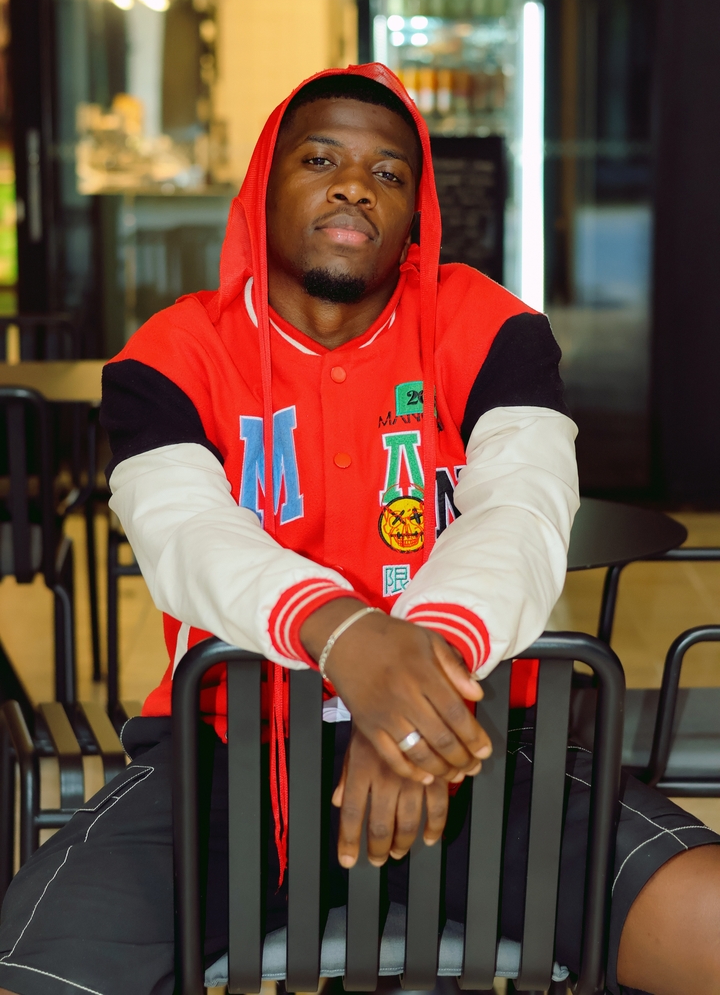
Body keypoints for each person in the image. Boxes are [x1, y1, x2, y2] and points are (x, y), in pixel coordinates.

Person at [0, 65, 719, 995]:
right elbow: (183, 530)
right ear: (263, 186)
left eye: (388, 174)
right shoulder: (172, 353)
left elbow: (523, 507)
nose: (355, 186)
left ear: (416, 214)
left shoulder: (490, 328)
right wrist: (349, 639)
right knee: (38, 970)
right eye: (320, 160)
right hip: (228, 752)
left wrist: (411, 695)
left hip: (478, 743)